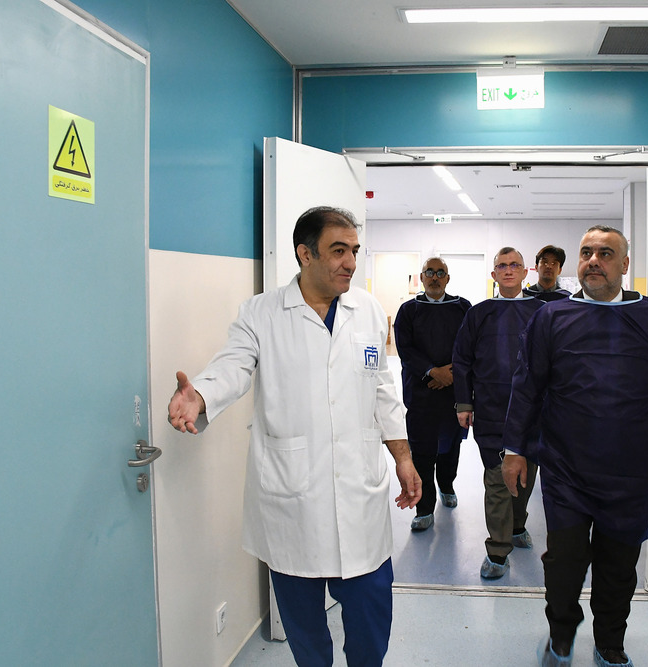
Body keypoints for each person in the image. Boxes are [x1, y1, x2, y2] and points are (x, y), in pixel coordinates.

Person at [167, 206, 421, 667]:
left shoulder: (367, 310)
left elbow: (382, 388)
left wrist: (402, 457)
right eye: (338, 251)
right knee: (305, 633)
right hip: (292, 502)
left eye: (354, 251)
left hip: (360, 498)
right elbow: (233, 366)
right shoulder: (261, 313)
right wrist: (200, 395)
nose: (350, 262)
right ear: (305, 254)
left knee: (371, 621)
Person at [501, 225, 648, 667]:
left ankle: (610, 642)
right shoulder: (552, 317)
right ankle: (561, 635)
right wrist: (515, 448)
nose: (593, 260)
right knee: (564, 562)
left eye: (606, 253)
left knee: (618, 567)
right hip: (566, 469)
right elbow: (527, 386)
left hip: (632, 472)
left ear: (625, 264)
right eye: (586, 253)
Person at [452, 247, 543, 580]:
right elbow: (462, 359)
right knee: (496, 478)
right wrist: (464, 403)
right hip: (491, 409)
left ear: (525, 272)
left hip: (533, 411)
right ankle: (498, 551)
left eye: (514, 265)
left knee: (526, 474)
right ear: (493, 274)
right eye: (502, 266)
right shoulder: (479, 314)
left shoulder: (542, 312)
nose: (508, 270)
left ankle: (517, 526)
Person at [393, 257, 472, 531]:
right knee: (422, 452)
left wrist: (450, 373)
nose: (435, 277)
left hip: (453, 393)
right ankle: (424, 509)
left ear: (448, 278)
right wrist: (431, 371)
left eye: (440, 273)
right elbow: (405, 350)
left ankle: (447, 486)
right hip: (421, 393)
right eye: (430, 272)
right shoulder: (409, 311)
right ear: (422, 277)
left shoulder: (462, 308)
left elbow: (469, 346)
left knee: (451, 447)